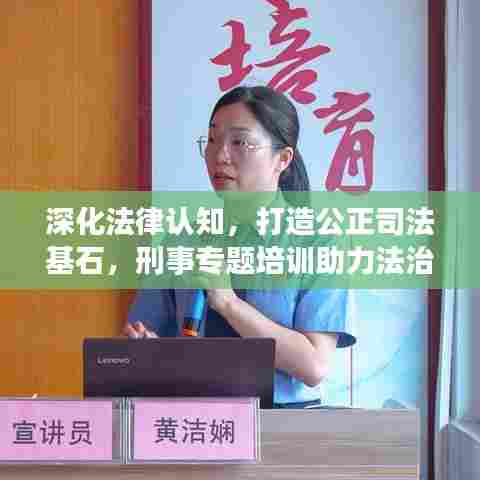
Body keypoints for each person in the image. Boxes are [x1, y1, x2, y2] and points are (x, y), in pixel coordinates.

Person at [125, 85, 356, 408]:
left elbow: (314, 365)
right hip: (196, 419)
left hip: (285, 423)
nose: (220, 155)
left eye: (240, 142)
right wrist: (148, 350)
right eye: (212, 140)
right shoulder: (183, 240)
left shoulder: (319, 241)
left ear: (282, 159)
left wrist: (228, 303)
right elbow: (144, 338)